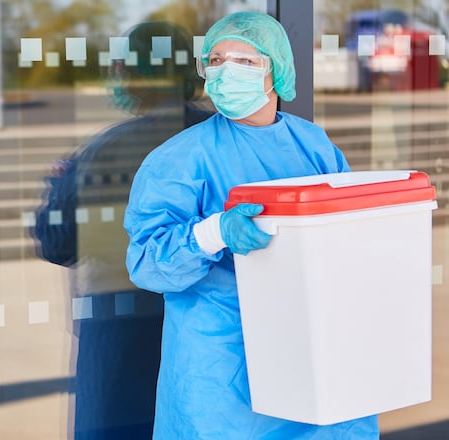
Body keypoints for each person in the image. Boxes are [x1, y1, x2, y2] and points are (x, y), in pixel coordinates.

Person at [123, 11, 380, 439]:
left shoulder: (314, 146)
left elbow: (345, 229)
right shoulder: (180, 159)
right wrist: (214, 232)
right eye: (217, 60)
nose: (226, 73)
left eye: (245, 62)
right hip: (222, 367)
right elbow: (147, 262)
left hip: (309, 347)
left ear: (276, 71)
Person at [32, 21, 211, 438]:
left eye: (120, 65)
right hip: (204, 314)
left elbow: (56, 242)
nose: (115, 75)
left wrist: (57, 186)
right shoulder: (223, 139)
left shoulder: (104, 150)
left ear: (141, 72)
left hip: (119, 322)